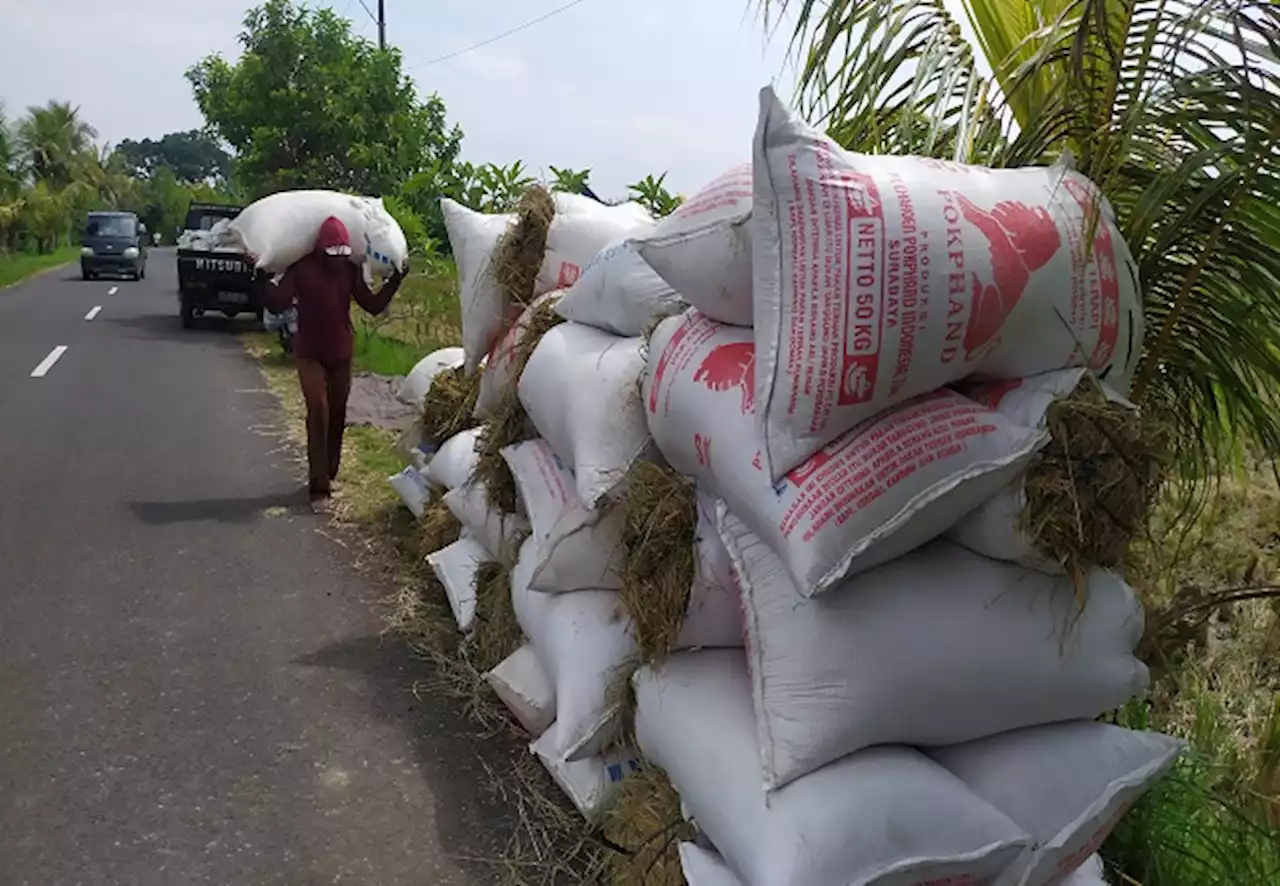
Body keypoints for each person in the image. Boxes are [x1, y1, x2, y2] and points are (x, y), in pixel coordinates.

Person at [256, 216, 406, 512]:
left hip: (341, 353)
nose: (336, 257)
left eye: (341, 251)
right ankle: (318, 488)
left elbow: (372, 305)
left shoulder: (349, 271)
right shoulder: (301, 268)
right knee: (318, 412)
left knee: (337, 413)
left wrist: (395, 282)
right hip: (309, 352)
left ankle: (331, 471)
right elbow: (277, 302)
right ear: (320, 247)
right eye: (332, 251)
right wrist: (258, 280)